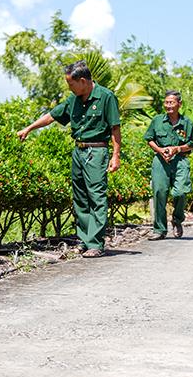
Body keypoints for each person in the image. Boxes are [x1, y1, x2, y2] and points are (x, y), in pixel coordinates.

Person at [17, 60, 121, 258]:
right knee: (80, 198)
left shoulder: (106, 96)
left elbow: (115, 128)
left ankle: (96, 243)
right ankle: (84, 240)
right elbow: (52, 116)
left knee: (96, 197)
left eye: (70, 84)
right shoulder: (73, 100)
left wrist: (116, 156)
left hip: (97, 151)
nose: (69, 88)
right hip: (78, 152)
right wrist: (29, 128)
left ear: (82, 81)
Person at [143, 91, 193, 240]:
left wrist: (177, 149)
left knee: (180, 192)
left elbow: (192, 144)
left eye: (171, 102)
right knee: (159, 192)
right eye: (166, 102)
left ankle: (177, 220)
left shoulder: (186, 123)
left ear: (179, 104)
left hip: (180, 161)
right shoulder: (157, 121)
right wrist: (160, 150)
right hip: (161, 161)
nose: (168, 105)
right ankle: (159, 229)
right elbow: (149, 139)